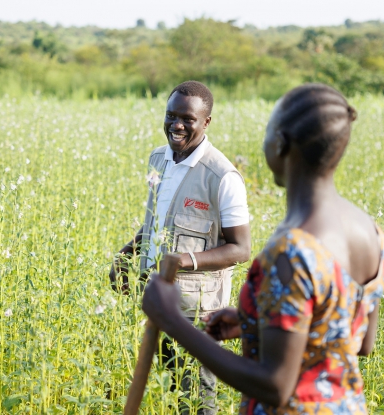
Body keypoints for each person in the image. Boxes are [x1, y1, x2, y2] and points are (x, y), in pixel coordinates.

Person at [142, 83, 384, 414]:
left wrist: (171, 320)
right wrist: (253, 321)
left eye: (266, 132)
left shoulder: (290, 252)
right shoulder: (372, 233)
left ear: (280, 143)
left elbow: (275, 386)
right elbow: (360, 342)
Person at [110, 81, 251, 414]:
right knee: (161, 393)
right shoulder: (158, 159)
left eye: (187, 118)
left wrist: (182, 260)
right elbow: (155, 223)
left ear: (206, 122)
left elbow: (240, 249)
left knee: (195, 399)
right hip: (155, 300)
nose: (177, 125)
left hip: (195, 311)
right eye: (171, 116)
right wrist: (124, 256)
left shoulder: (222, 176)